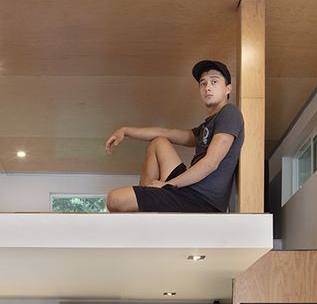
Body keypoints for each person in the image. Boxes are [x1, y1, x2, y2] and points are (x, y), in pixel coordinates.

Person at [104, 59, 244, 214]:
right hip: (188, 191)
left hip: (201, 200)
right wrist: (125, 130)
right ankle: (147, 206)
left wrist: (167, 185)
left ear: (228, 89)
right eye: (203, 83)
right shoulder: (205, 126)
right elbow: (166, 133)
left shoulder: (230, 112)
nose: (207, 87)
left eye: (214, 81)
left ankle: (146, 209)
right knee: (159, 142)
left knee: (114, 199)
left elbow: (210, 163)